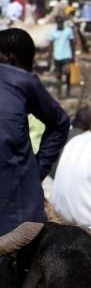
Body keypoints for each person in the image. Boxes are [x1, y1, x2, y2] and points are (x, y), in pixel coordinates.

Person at [0, 28, 68, 232]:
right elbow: (60, 122)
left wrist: (36, 170)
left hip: (15, 201)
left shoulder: (18, 81)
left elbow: (58, 122)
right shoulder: (19, 80)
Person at [48, 15, 78, 99]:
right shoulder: (53, 32)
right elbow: (50, 46)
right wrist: (49, 58)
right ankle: (59, 93)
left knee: (68, 73)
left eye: (61, 22)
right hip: (57, 56)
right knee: (58, 75)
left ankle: (68, 91)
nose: (60, 24)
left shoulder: (68, 31)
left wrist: (73, 56)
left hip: (67, 56)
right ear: (56, 22)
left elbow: (72, 43)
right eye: (58, 22)